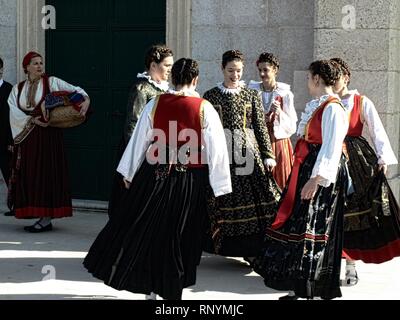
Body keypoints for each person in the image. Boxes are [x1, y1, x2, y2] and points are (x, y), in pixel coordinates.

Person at [83, 58, 232, 300]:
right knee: (179, 235)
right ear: (195, 80)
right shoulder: (205, 108)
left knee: (149, 231)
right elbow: (217, 150)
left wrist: (128, 173)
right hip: (189, 181)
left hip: (153, 177)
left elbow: (139, 140)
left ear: (173, 78)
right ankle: (171, 290)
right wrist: (221, 186)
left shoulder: (155, 102)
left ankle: (151, 289)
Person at [253, 60, 349, 300]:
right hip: (308, 169)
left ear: (317, 79)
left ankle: (314, 291)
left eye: (309, 77)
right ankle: (300, 287)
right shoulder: (320, 106)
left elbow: (331, 148)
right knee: (301, 226)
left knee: (314, 227)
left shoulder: (333, 108)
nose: (307, 82)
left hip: (320, 175)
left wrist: (316, 180)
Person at [203, 50, 280, 258]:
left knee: (262, 198)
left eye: (238, 71)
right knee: (227, 198)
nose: (235, 75)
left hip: (249, 154)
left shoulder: (250, 94)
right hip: (224, 156)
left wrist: (267, 154)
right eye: (230, 70)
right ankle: (228, 246)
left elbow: (260, 127)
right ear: (222, 69)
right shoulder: (210, 96)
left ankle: (255, 249)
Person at [331, 57, 400, 286]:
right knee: (331, 213)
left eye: (337, 76)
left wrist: (383, 158)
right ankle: (330, 266)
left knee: (354, 215)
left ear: (346, 77)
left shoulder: (361, 102)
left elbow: (377, 130)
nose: (334, 80)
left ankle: (351, 266)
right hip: (330, 157)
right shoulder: (325, 102)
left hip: (355, 160)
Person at [7, 51, 90, 232]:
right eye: (35, 63)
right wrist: (31, 121)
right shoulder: (17, 88)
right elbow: (12, 109)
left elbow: (78, 92)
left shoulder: (51, 82)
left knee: (47, 174)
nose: (39, 66)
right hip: (27, 137)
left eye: (41, 63)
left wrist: (86, 100)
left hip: (48, 138)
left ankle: (46, 219)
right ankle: (36, 213)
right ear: (26, 67)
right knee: (31, 175)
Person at [108, 44, 173, 217]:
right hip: (140, 148)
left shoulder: (167, 89)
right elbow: (132, 123)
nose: (170, 69)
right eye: (166, 65)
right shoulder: (141, 88)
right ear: (153, 65)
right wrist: (136, 156)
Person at [248, 52, 297, 190]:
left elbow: (292, 126)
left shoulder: (285, 94)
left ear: (275, 70)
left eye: (266, 70)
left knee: (280, 178)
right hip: (258, 139)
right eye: (260, 70)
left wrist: (279, 113)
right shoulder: (252, 91)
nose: (262, 74)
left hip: (278, 141)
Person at [0, 57, 14, 216]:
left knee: (9, 175)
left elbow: (13, 117)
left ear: (1, 69)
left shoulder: (9, 89)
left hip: (4, 141)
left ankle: (15, 205)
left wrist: (11, 140)